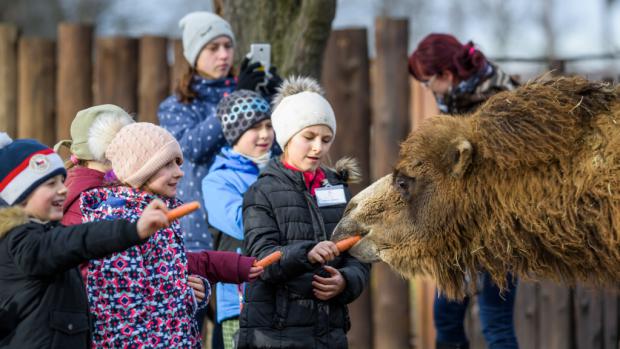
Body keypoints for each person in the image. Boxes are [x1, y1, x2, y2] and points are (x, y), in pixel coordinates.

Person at [79, 123, 263, 348]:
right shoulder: (122, 224)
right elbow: (121, 313)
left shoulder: (156, 214)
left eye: (177, 162)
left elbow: (163, 282)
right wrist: (181, 295)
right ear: (141, 169)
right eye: (167, 164)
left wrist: (195, 291)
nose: (179, 172)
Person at [237, 77, 371, 349]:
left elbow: (360, 254)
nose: (318, 147)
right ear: (287, 137)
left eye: (326, 139)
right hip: (274, 335)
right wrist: (305, 253)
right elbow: (260, 262)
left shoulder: (338, 189)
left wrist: (345, 281)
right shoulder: (261, 191)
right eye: (308, 137)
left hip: (328, 334)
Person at [0, 133, 168, 348]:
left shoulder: (42, 234)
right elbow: (73, 241)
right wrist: (133, 229)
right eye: (50, 184)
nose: (63, 189)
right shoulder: (21, 241)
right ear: (19, 195)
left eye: (62, 180)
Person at [409, 33, 519, 349]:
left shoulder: (499, 103)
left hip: (497, 232)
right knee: (446, 316)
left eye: (428, 82)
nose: (428, 91)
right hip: (461, 232)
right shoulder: (455, 100)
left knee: (495, 323)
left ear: (446, 75)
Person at [158, 11, 280, 253]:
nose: (223, 55)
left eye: (228, 46)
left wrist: (279, 99)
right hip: (197, 227)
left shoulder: (251, 94)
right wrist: (236, 98)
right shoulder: (175, 106)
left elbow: (277, 150)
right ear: (194, 55)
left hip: (251, 220)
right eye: (213, 48)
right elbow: (190, 149)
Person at [202, 90, 275, 349]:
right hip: (238, 301)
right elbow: (241, 223)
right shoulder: (218, 180)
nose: (265, 134)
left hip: (280, 295)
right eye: (254, 127)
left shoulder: (278, 170)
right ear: (235, 132)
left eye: (268, 125)